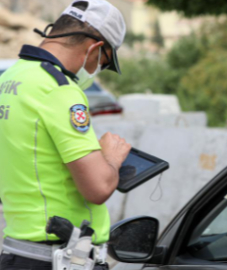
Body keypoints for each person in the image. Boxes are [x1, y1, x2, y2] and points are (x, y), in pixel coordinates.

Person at [0, 1, 130, 269]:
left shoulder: (10, 78)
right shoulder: (59, 89)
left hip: (17, 250)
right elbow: (98, 187)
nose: (95, 70)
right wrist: (111, 158)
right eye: (102, 62)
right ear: (94, 48)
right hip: (57, 257)